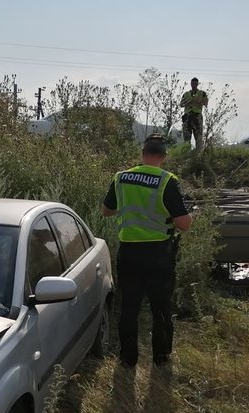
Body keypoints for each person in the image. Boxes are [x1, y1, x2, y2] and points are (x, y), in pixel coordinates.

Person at [101, 133, 193, 368]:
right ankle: (161, 357)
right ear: (163, 157)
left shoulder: (121, 178)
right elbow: (184, 225)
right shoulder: (167, 181)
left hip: (129, 253)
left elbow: (107, 211)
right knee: (160, 307)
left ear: (142, 154)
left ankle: (127, 358)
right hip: (159, 255)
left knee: (129, 307)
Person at [180, 77, 208, 149]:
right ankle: (186, 153)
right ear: (191, 84)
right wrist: (188, 101)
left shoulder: (202, 93)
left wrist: (198, 101)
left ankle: (198, 154)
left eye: (195, 83)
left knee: (198, 137)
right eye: (192, 83)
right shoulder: (186, 94)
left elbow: (206, 103)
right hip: (187, 117)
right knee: (186, 137)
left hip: (197, 117)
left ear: (197, 84)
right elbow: (181, 104)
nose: (194, 85)